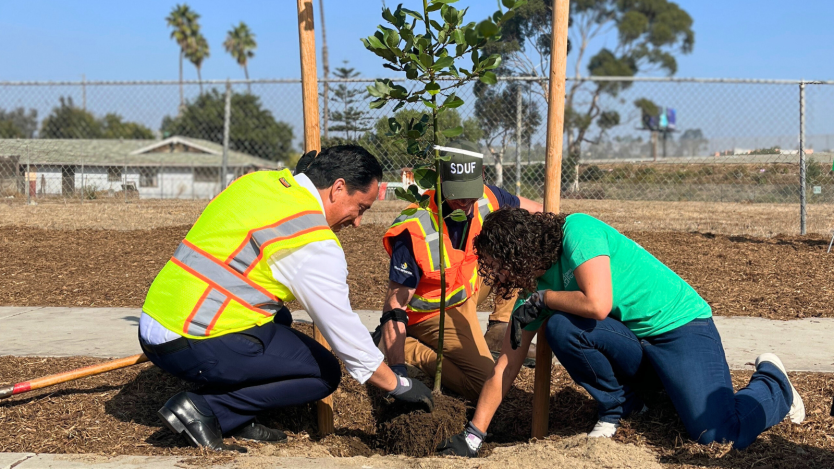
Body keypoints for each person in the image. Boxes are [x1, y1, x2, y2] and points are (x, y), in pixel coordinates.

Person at [437, 208, 805, 457]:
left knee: (718, 436)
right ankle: (622, 405)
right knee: (563, 327)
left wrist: (546, 297)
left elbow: (598, 304)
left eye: (498, 267)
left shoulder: (577, 231)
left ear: (517, 252)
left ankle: (775, 384)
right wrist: (472, 437)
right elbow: (505, 368)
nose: (497, 277)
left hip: (679, 326)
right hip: (637, 344)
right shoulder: (532, 295)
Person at [138, 145, 433, 452]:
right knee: (323, 372)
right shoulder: (311, 240)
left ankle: (239, 412)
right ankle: (208, 409)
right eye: (360, 208)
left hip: (159, 317)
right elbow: (344, 334)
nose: (357, 222)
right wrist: (398, 384)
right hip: (190, 338)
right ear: (338, 188)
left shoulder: (259, 182)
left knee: (282, 318)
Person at [378, 140, 542, 400]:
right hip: (430, 312)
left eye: (471, 192)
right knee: (486, 385)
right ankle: (408, 349)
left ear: (482, 178)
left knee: (514, 249)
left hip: (468, 288)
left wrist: (567, 230)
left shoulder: (487, 197)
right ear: (440, 182)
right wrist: (398, 372)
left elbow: (535, 212)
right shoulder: (414, 230)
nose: (465, 202)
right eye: (456, 194)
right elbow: (395, 304)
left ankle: (499, 328)